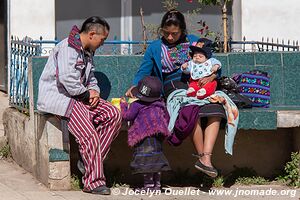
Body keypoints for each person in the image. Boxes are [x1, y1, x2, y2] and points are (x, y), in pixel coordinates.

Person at [126, 9, 226, 178]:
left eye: (174, 33)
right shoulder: (156, 47)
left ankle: (206, 160)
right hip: (173, 86)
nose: (170, 37)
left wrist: (212, 76)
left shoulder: (196, 43)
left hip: (200, 84)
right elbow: (144, 71)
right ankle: (203, 158)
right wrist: (135, 86)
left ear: (183, 30)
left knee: (216, 109)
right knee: (191, 111)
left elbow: (213, 64)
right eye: (166, 33)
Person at [37, 16, 122, 195]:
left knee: (112, 114)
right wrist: (86, 94)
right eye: (102, 39)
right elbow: (68, 79)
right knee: (89, 134)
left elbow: (91, 78)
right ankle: (93, 182)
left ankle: (87, 162)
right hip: (61, 99)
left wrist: (95, 92)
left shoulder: (88, 51)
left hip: (79, 98)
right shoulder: (68, 48)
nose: (103, 43)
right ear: (92, 34)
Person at [120, 76, 171, 191]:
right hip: (157, 137)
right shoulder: (161, 104)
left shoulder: (136, 104)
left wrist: (123, 105)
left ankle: (148, 186)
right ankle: (157, 186)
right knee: (156, 161)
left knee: (146, 162)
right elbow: (166, 118)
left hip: (142, 137)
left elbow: (128, 116)